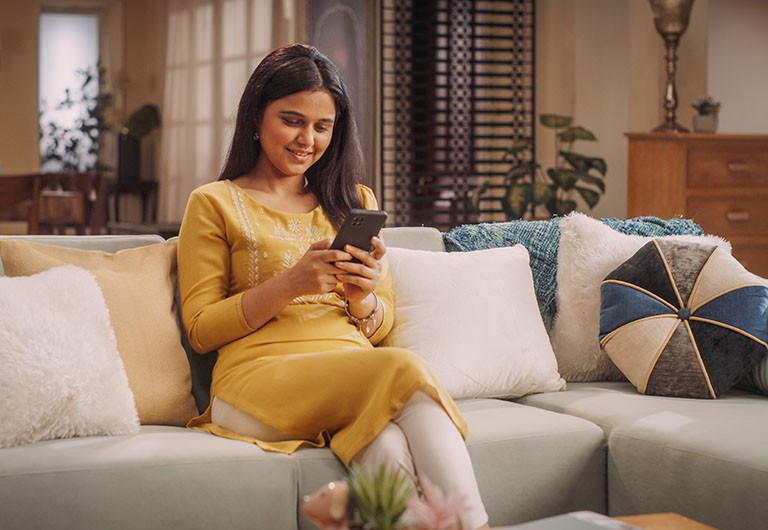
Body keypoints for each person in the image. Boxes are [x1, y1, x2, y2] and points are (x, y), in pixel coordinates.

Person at [177, 43, 489, 530]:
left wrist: (363, 295)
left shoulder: (352, 201)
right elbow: (199, 329)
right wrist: (289, 285)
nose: (308, 139)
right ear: (256, 117)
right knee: (405, 368)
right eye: (293, 120)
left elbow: (379, 326)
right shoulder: (213, 203)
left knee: (387, 447)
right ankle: (476, 525)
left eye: (323, 126)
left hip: (350, 373)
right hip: (256, 381)